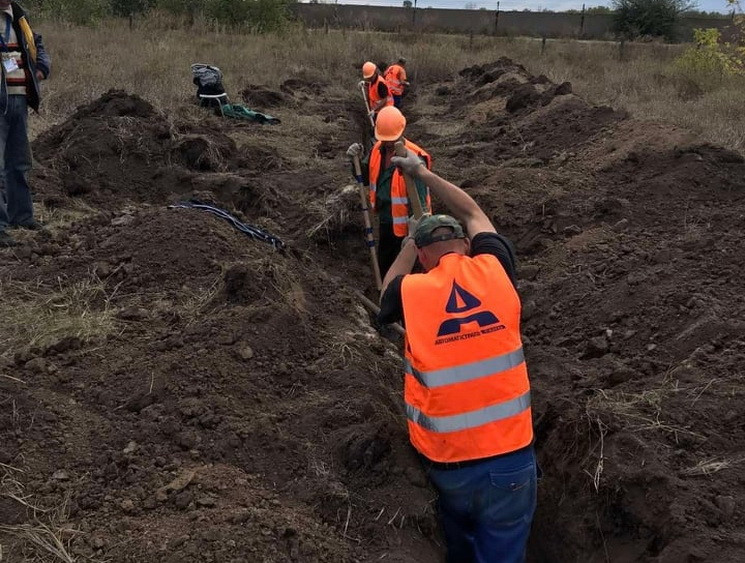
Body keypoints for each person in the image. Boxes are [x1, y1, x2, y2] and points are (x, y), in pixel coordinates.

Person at [378, 149, 537, 563]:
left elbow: (386, 292)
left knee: (460, 548)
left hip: (448, 464)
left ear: (425, 258)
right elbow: (473, 212)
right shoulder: (496, 268)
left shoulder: (411, 292)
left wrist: (410, 247)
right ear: (466, 246)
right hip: (511, 461)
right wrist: (424, 176)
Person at [346, 106, 432, 278]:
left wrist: (413, 235)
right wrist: (353, 160)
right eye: (385, 140)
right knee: (386, 265)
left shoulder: (414, 158)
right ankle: (386, 293)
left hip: (408, 228)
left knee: (407, 272)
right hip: (385, 221)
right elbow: (363, 176)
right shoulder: (377, 150)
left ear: (402, 130)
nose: (389, 143)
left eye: (392, 139)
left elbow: (420, 203)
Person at [0, 0, 50, 247]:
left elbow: (37, 44)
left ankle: (22, 216)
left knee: (18, 163)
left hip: (19, 98)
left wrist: (41, 69)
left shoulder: (19, 17)